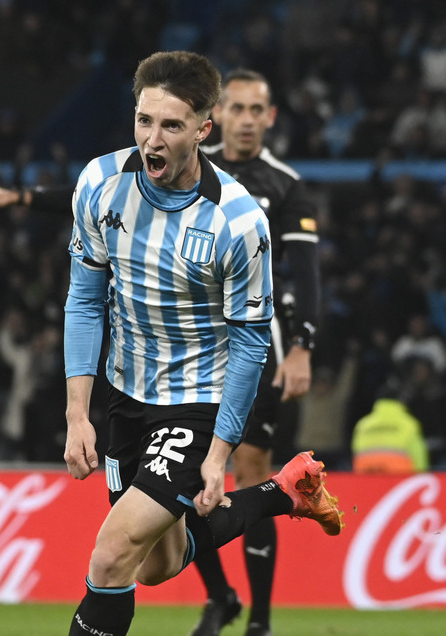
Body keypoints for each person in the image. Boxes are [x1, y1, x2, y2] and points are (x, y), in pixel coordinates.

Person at [60, 51, 343, 636]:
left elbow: (249, 344)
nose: (152, 139)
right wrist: (76, 413)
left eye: (170, 125)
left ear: (201, 130)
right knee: (156, 567)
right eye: (143, 121)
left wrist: (219, 455)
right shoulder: (99, 184)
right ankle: (282, 492)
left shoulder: (238, 221)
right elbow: (85, 301)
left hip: (196, 401)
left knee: (112, 553)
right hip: (124, 397)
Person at [189, 68, 323, 636]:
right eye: (236, 108)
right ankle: (221, 597)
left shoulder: (286, 185)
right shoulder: (192, 166)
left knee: (250, 473)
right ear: (219, 116)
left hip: (255, 349)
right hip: (190, 348)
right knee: (185, 482)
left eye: (256, 109)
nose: (246, 119)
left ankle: (260, 621)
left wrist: (301, 346)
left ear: (270, 117)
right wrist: (26, 197)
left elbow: (307, 274)